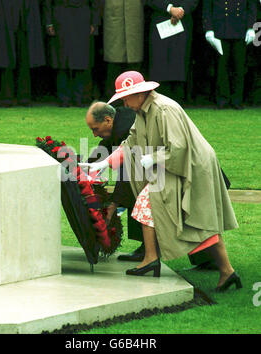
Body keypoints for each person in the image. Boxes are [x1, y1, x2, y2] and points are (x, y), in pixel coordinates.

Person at [80, 71, 242, 292]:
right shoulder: (142, 111)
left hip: (191, 167)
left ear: (141, 93)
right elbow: (131, 143)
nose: (124, 103)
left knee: (189, 218)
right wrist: (104, 163)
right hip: (176, 166)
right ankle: (223, 271)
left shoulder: (164, 109)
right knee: (194, 220)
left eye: (127, 97)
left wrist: (151, 158)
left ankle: (153, 259)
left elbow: (179, 148)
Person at [85, 102, 145, 262]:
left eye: (95, 129)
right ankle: (146, 249)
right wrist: (84, 172)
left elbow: (128, 173)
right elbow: (103, 148)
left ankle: (148, 251)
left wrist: (113, 204)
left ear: (107, 120)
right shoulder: (117, 121)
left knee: (135, 192)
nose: (94, 134)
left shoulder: (124, 129)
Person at [0, 0, 45, 107]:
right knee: (6, 63)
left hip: (25, 24)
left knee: (24, 63)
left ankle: (24, 98)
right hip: (4, 24)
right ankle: (7, 99)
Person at [43, 0, 100, 107]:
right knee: (61, 61)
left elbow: (95, 3)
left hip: (83, 19)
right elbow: (47, 3)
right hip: (60, 17)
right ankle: (64, 98)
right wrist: (48, 22)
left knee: (80, 60)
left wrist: (94, 22)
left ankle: (78, 98)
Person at [203, 0, 257, 109]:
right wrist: (209, 29)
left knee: (239, 68)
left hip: (240, 29)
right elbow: (207, 8)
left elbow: (251, 7)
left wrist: (251, 27)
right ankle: (222, 99)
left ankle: (237, 100)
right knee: (221, 68)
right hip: (220, 30)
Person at [146, 0, 199, 104]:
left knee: (180, 61)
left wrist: (180, 10)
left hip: (183, 21)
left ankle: (180, 100)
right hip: (160, 20)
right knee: (160, 61)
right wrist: (170, 9)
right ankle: (159, 100)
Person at [103, 0, 145, 99]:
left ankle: (135, 97)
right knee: (114, 63)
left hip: (134, 22)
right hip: (114, 23)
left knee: (134, 63)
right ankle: (113, 98)